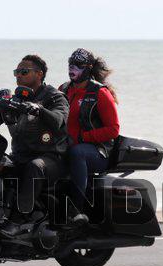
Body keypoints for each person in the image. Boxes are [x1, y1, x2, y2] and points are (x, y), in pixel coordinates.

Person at [0, 55, 70, 237]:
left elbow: (59, 119)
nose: (18, 76)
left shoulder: (55, 97)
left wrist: (39, 109)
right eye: (16, 72)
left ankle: (18, 220)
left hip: (50, 158)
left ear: (39, 74)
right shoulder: (16, 99)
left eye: (24, 72)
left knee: (35, 167)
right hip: (20, 155)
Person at [59, 48, 120, 214]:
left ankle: (76, 210)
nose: (72, 68)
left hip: (98, 151)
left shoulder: (100, 93)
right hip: (66, 145)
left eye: (78, 65)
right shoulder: (63, 89)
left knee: (77, 152)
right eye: (70, 64)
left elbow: (113, 129)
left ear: (89, 67)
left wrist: (82, 137)